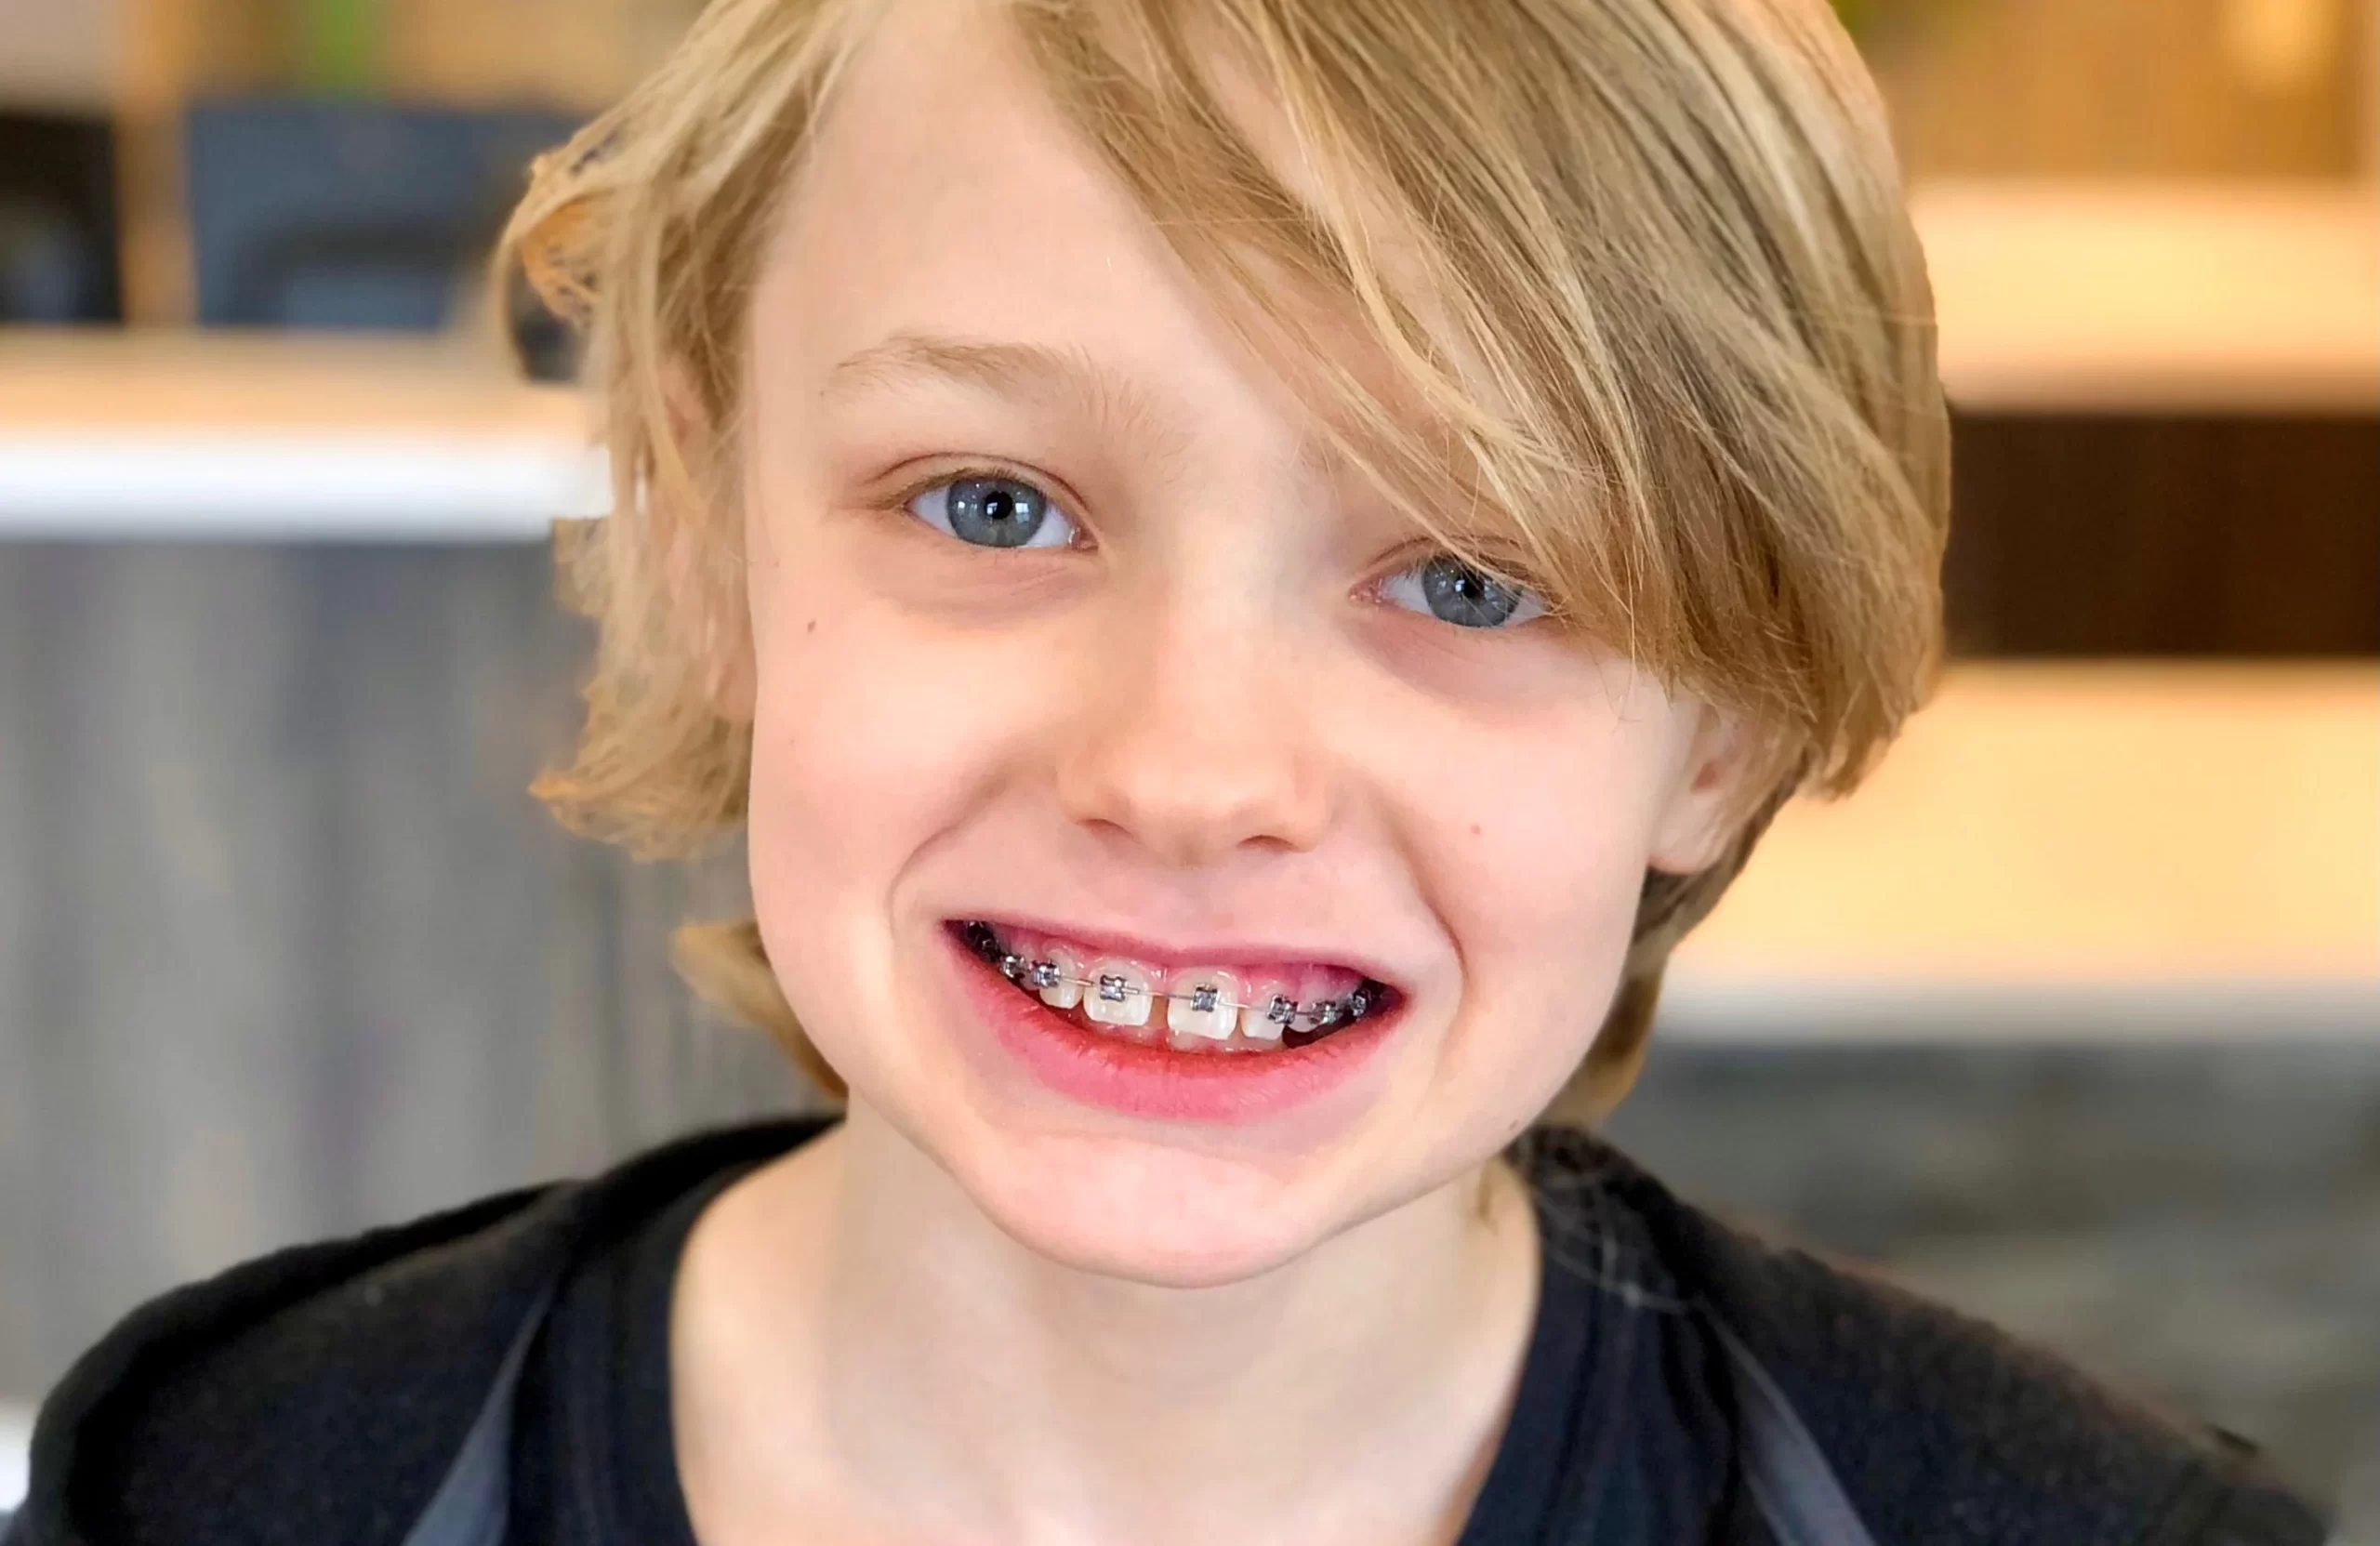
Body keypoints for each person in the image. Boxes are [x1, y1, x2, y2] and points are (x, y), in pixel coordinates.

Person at [2, 0, 2334, 1541]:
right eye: (995, 507)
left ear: (1716, 730)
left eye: (1475, 577)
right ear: (704, 535)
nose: (1190, 770)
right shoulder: (242, 1479)